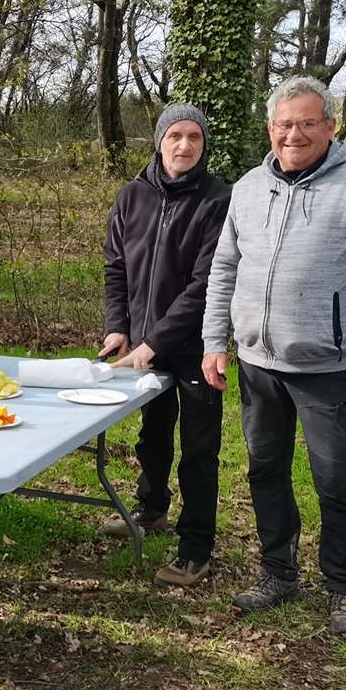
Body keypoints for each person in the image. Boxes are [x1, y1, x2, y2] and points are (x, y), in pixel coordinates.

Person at [201, 75, 346, 639]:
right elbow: (224, 269)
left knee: (336, 478)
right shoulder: (248, 187)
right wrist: (213, 341)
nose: (293, 133)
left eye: (305, 123)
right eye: (283, 124)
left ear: (330, 127)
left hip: (327, 367)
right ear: (270, 129)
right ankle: (278, 572)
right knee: (265, 470)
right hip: (257, 364)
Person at [100, 103, 231, 586]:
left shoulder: (219, 200)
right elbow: (116, 267)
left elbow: (206, 285)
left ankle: (195, 549)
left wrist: (153, 341)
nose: (184, 145)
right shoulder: (132, 196)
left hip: (197, 347)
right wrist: (119, 328)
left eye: (194, 137)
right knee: (153, 435)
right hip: (141, 348)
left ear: (203, 144)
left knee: (199, 450)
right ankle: (150, 508)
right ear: (159, 141)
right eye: (175, 135)